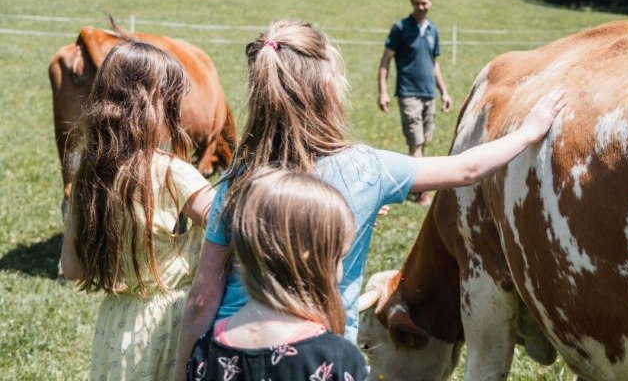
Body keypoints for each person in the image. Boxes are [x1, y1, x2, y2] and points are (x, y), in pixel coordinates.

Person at [174, 19, 565, 380]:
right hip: (315, 356)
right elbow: (466, 169)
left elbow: (203, 295)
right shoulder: (365, 170)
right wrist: (527, 132)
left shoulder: (236, 181)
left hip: (229, 352)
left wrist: (181, 371)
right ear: (329, 90)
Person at [59, 41, 215, 381]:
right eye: (172, 104)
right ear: (151, 104)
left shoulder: (86, 171)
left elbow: (71, 268)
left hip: (116, 329)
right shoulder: (174, 174)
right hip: (171, 325)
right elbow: (229, 225)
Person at [186, 168, 368, 381]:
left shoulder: (206, 351)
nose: (340, 268)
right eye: (339, 257)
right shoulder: (336, 358)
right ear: (308, 257)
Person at [378, 0, 452, 206]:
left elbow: (434, 65)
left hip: (428, 92)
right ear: (412, 2)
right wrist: (383, 91)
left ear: (431, 2)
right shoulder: (400, 28)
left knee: (424, 141)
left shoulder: (433, 30)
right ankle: (421, 193)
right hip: (408, 92)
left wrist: (444, 91)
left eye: (425, 3)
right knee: (416, 142)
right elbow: (385, 61)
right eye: (418, 3)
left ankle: (414, 183)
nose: (422, 7)